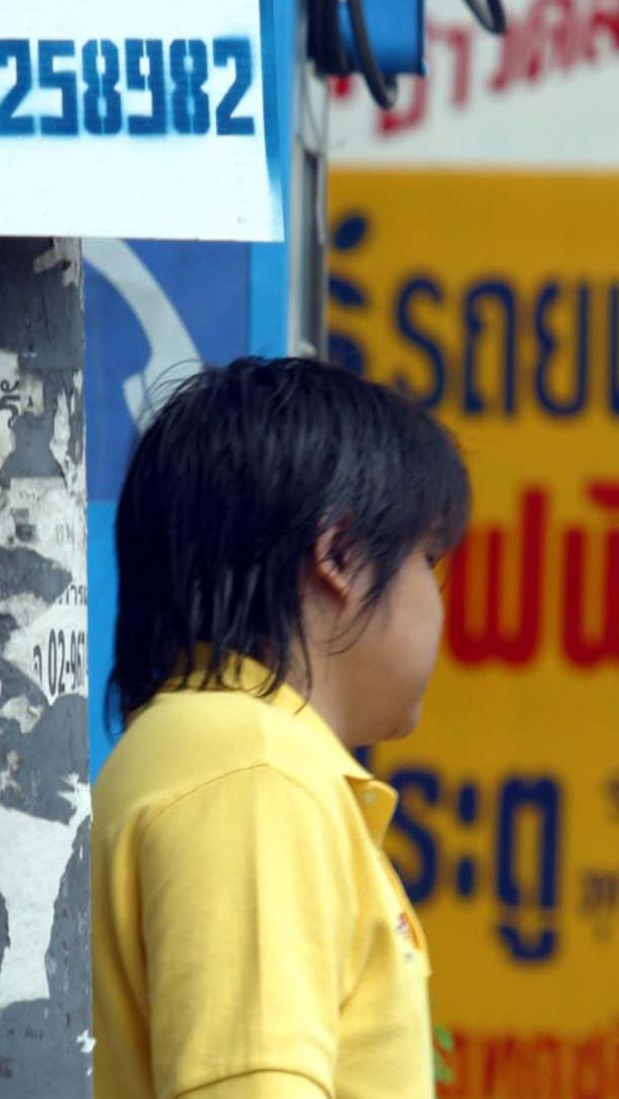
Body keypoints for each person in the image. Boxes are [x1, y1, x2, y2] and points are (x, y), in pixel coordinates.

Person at [92, 356, 471, 1098]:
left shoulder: (211, 753)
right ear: (336, 555)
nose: (436, 600)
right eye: (427, 559)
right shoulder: (255, 772)